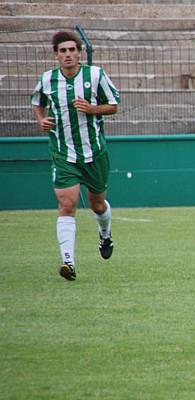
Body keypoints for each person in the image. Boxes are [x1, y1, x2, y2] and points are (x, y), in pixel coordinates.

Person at [31, 31, 120, 281]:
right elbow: (37, 101)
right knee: (67, 205)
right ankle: (68, 262)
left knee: (97, 204)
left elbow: (114, 105)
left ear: (79, 52)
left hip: (94, 152)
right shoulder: (48, 80)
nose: (68, 55)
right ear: (56, 54)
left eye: (72, 50)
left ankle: (105, 234)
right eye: (63, 51)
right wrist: (42, 119)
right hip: (63, 152)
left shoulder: (96, 75)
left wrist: (92, 109)